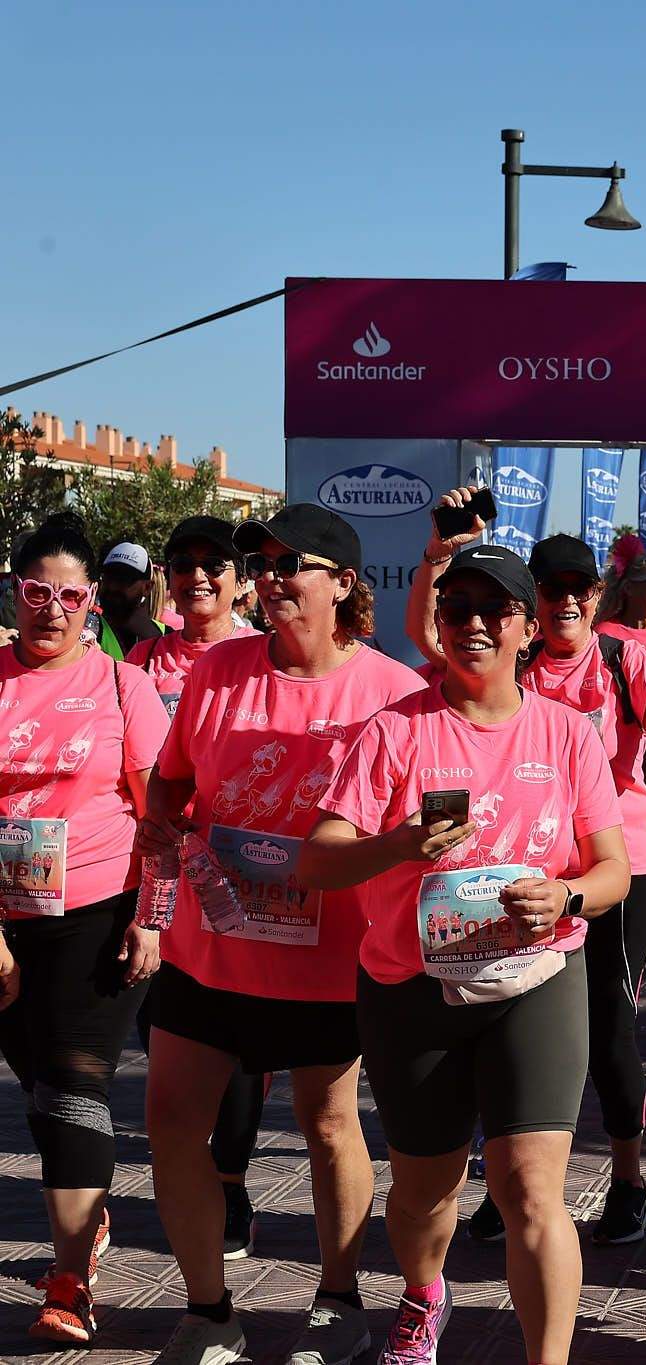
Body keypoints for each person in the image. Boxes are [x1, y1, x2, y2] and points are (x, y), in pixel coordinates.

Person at [301, 542, 629, 1365]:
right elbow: (319, 858)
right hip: (413, 988)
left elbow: (613, 868)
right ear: (438, 624)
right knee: (423, 1191)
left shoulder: (565, 734)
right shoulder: (396, 731)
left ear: (526, 627)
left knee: (529, 1187)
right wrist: (401, 844)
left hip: (538, 976)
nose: (474, 623)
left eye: (495, 609)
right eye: (457, 609)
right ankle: (424, 1291)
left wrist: (567, 896)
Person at [137, 504, 425, 1365]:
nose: (268, 577)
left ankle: (338, 1300)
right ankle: (209, 1311)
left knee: (330, 1125)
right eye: (258, 562)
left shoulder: (391, 692)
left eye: (288, 563)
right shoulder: (220, 669)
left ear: (343, 583)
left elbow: (409, 832)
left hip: (331, 959)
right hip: (212, 943)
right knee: (169, 1119)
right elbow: (170, 784)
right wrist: (162, 828)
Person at [413, 512, 646, 1246]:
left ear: (598, 595)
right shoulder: (517, 658)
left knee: (608, 1025)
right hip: (526, 870)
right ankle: (511, 1180)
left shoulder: (621, 659)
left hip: (618, 865)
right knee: (496, 1016)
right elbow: (429, 640)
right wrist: (435, 558)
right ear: (531, 599)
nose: (567, 600)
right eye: (553, 587)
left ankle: (629, 1180)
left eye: (580, 587)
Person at [0, 514, 171, 1346]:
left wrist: (154, 918)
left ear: (92, 601)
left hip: (97, 909)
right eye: (38, 592)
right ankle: (88, 1219)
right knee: (38, 1086)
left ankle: (70, 1278)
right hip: (2, 915)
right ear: (16, 592)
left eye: (70, 595)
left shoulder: (122, 686)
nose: (53, 609)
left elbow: (166, 819)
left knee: (72, 1086)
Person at [124, 517, 268, 1262]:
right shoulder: (141, 658)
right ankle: (195, 1164)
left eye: (215, 562)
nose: (198, 574)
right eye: (182, 562)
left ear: (241, 579)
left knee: (242, 1044)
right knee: (166, 1035)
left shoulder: (258, 656)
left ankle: (231, 1177)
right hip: (158, 877)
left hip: (242, 879)